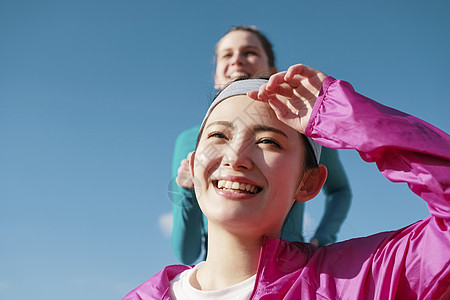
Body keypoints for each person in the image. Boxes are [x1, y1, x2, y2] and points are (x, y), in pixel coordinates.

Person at [124, 64, 450, 299]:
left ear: (308, 182)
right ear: (194, 167)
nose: (236, 157)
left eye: (269, 141)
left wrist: (335, 112)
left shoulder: (361, 280)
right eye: (219, 135)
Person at [171, 26, 352, 265]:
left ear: (273, 72)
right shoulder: (190, 141)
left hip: (292, 274)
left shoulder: (304, 134)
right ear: (216, 77)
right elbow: (186, 253)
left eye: (249, 52)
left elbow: (340, 190)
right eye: (226, 55)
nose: (236, 60)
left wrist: (323, 238)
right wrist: (187, 189)